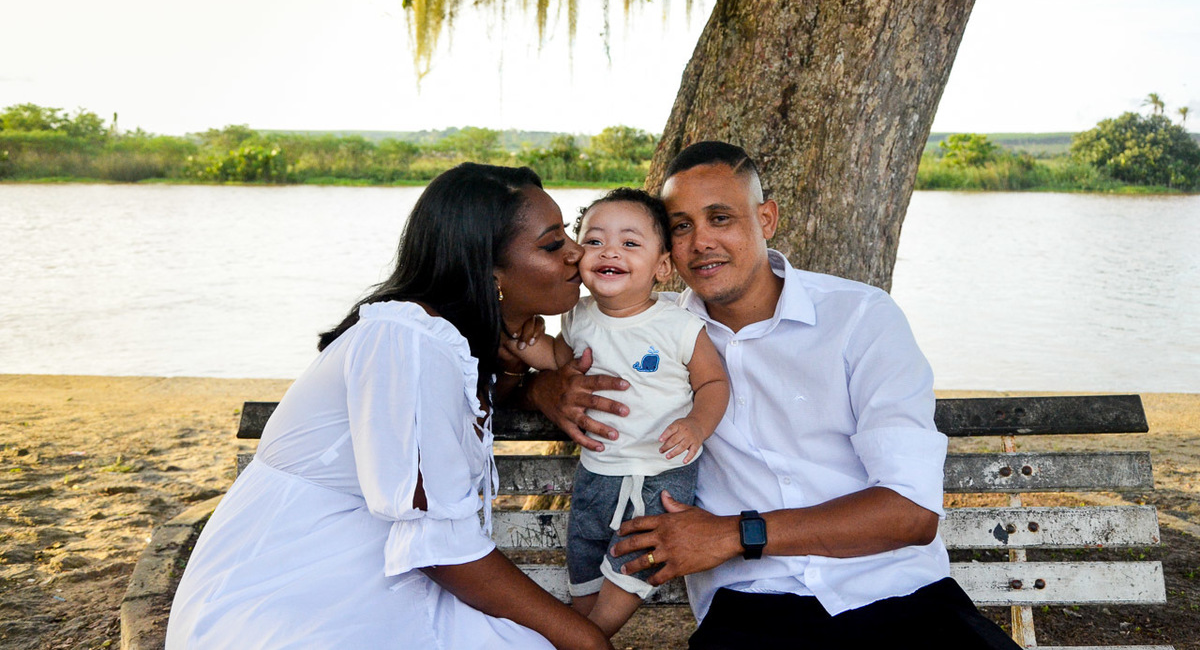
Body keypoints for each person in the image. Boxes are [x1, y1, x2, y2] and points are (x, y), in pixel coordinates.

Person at [525, 143, 1021, 649]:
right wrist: (540, 387)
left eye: (721, 217)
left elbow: (911, 511)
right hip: (752, 607)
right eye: (681, 226)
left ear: (766, 219)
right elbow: (542, 356)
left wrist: (734, 534)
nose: (701, 242)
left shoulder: (860, 318)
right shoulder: (655, 331)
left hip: (900, 594)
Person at [166, 163, 613, 650]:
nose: (577, 252)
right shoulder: (405, 340)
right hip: (289, 591)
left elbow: (452, 417)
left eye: (568, 233)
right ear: (486, 268)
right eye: (552, 244)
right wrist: (583, 637)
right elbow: (438, 546)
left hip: (370, 572)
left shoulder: (447, 338)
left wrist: (527, 382)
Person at [507, 188, 729, 637]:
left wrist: (697, 424)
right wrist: (527, 343)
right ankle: (585, 630)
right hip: (596, 472)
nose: (610, 251)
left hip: (658, 472)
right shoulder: (579, 316)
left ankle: (586, 639)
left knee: (636, 560)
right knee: (585, 558)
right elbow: (565, 364)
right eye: (594, 241)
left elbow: (713, 383)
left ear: (662, 266)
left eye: (630, 243)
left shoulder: (678, 326)